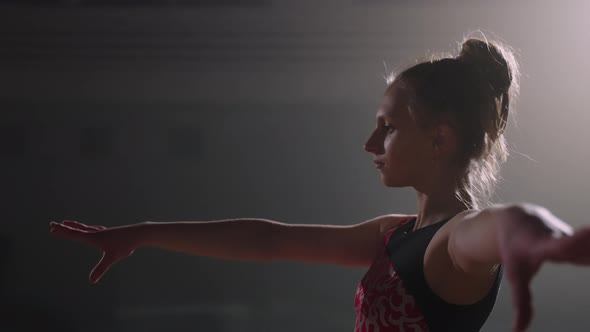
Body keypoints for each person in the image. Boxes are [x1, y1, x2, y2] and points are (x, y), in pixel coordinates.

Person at [49, 34, 590, 332]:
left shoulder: (455, 240)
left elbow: (502, 226)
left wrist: (550, 237)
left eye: (389, 127)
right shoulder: (395, 234)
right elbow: (270, 239)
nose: (370, 144)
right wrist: (140, 233)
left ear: (440, 139)